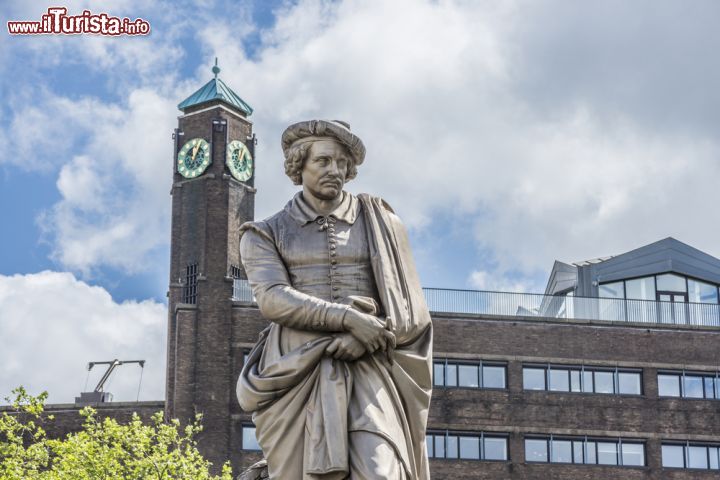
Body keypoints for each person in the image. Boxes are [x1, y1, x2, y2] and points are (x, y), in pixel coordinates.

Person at [237, 120, 433, 479]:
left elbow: (412, 311)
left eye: (342, 163)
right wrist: (348, 318)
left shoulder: (383, 224)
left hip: (370, 368)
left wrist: (367, 335)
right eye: (323, 161)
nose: (335, 171)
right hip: (296, 369)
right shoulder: (264, 233)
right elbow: (272, 299)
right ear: (300, 165)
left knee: (380, 471)